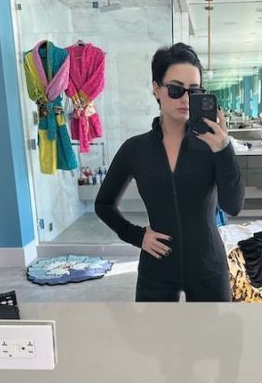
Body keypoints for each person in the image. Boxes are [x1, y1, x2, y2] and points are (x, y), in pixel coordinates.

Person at [95, 42, 245, 302]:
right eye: (175, 90)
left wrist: (224, 149)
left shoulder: (212, 146)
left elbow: (233, 206)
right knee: (153, 330)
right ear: (156, 88)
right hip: (157, 269)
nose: (185, 99)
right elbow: (103, 204)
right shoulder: (136, 149)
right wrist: (137, 236)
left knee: (214, 330)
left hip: (208, 267)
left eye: (194, 91)